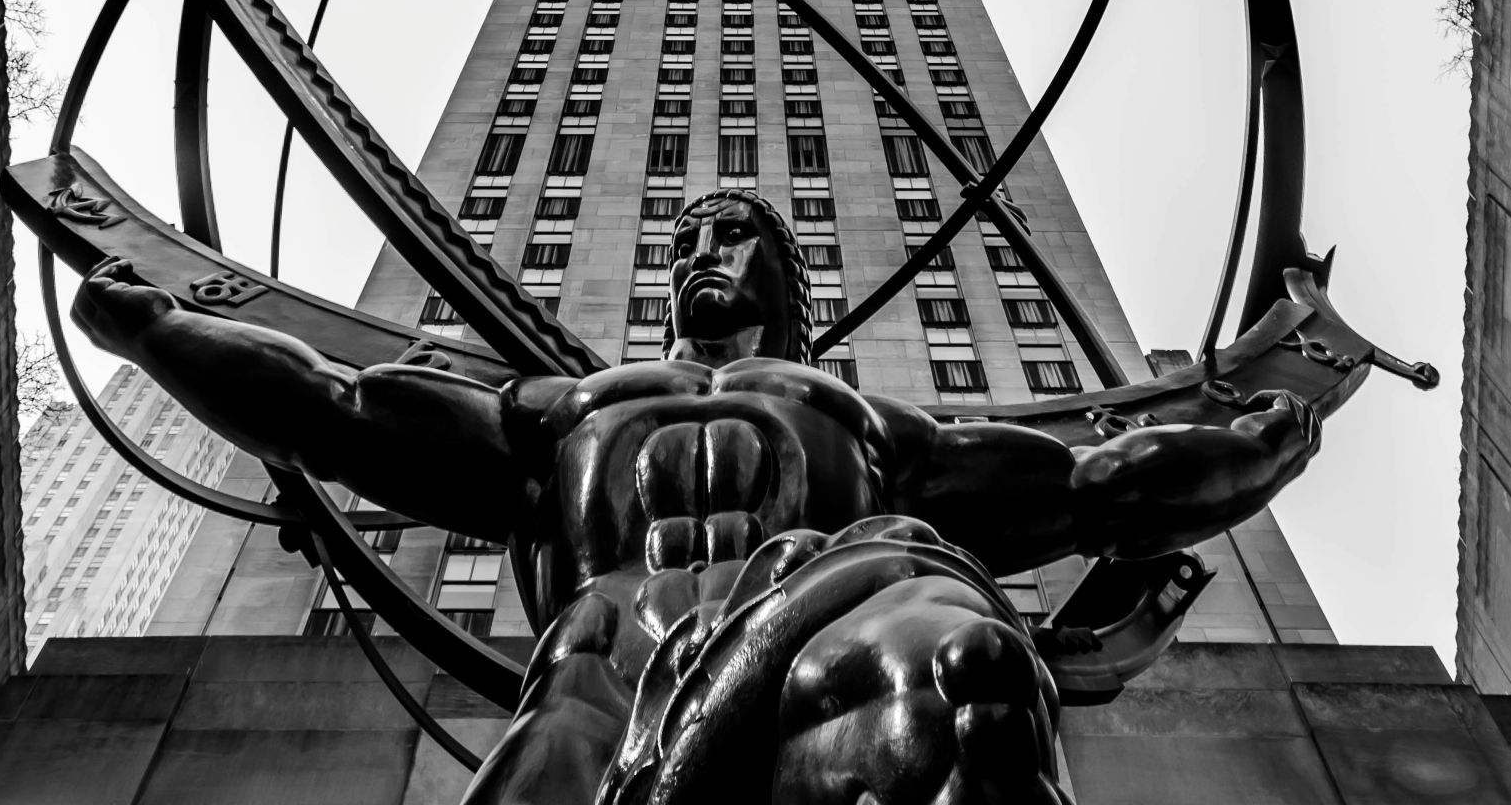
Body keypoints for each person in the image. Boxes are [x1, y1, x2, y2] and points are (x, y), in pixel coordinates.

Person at [73, 188, 1321, 804]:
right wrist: (155, 331)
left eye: (729, 240)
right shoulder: (564, 408)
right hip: (603, 672)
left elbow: (1095, 486)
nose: (696, 258)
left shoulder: (868, 424)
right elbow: (337, 411)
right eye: (680, 246)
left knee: (968, 676)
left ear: (787, 278)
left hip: (829, 623)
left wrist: (1254, 450)